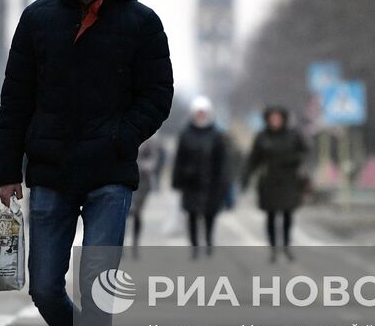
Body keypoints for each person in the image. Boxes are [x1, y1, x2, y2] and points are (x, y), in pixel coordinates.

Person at [0, 0, 174, 326]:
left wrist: (123, 136)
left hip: (108, 174)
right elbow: (15, 99)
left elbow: (158, 94)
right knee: (45, 287)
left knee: (95, 282)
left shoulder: (141, 23)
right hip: (49, 171)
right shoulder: (38, 20)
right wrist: (7, 170)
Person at [241, 106, 310, 262]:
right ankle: (273, 248)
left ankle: (286, 245)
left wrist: (295, 160)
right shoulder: (262, 137)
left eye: (278, 118)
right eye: (272, 118)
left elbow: (305, 151)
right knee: (271, 215)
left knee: (287, 214)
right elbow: (253, 159)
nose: (275, 121)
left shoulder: (293, 135)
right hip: (269, 181)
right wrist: (245, 177)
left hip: (288, 180)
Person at [172, 96, 228, 258]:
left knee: (210, 214)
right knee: (191, 215)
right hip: (191, 182)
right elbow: (179, 159)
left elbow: (222, 160)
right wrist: (177, 180)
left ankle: (209, 240)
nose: (201, 116)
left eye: (203, 113)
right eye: (198, 113)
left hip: (212, 182)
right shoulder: (186, 134)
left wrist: (223, 181)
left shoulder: (216, 135)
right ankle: (195, 245)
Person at [130, 135, 166, 254]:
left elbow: (154, 159)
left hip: (142, 181)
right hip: (125, 178)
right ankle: (120, 245)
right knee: (122, 214)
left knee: (136, 212)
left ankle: (135, 243)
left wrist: (142, 166)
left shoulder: (150, 138)